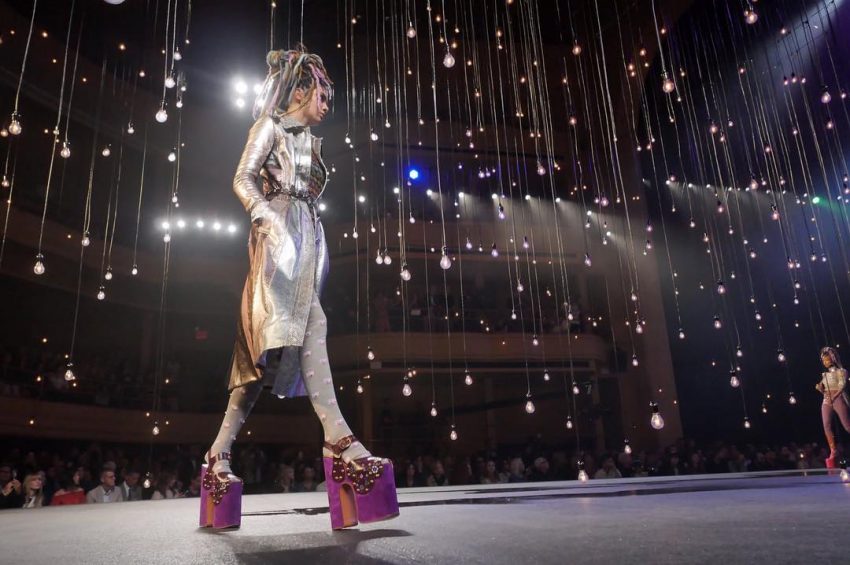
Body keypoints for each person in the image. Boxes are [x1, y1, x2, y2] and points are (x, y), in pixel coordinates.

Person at [200, 45, 398, 530]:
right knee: (276, 340)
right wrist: (265, 218)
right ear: (301, 91)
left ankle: (218, 454)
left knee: (265, 360)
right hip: (277, 236)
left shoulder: (311, 141)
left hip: (308, 236)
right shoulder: (268, 127)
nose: (327, 104)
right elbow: (243, 177)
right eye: (322, 95)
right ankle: (339, 441)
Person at [816, 347, 850, 468]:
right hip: (827, 400)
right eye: (824, 361)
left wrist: (834, 397)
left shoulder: (841, 371)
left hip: (837, 398)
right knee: (826, 425)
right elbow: (824, 389)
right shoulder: (825, 375)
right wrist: (820, 389)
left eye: (827, 360)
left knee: (847, 426)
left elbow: (842, 386)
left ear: (833, 359)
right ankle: (833, 450)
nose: (825, 362)